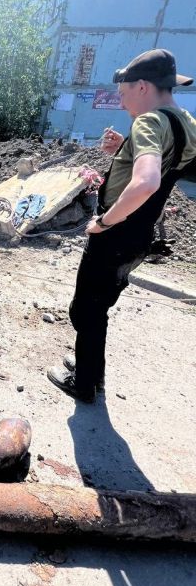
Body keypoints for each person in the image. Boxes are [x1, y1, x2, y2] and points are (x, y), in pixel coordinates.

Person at [48, 48, 196, 403]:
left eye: (124, 90)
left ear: (142, 86)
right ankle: (92, 372)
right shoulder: (185, 122)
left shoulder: (149, 121)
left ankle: (84, 384)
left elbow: (147, 181)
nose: (121, 98)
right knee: (99, 305)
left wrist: (104, 221)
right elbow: (169, 163)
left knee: (85, 309)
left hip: (116, 234)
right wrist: (126, 147)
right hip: (139, 236)